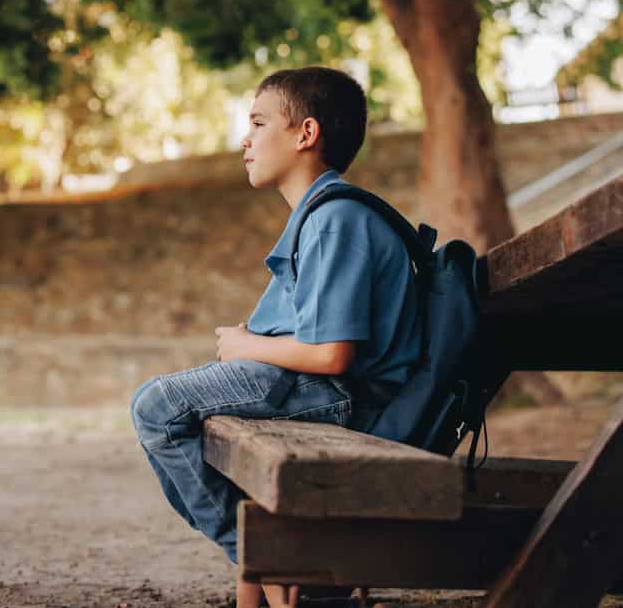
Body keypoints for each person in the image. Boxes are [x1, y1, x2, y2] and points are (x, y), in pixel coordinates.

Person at [129, 66, 421, 608]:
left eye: (260, 122)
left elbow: (332, 354)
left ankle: (273, 561)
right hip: (322, 390)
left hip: (349, 400)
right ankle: (269, 570)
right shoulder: (319, 217)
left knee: (158, 407)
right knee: (196, 420)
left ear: (305, 134)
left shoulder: (336, 220)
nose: (247, 139)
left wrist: (244, 346)